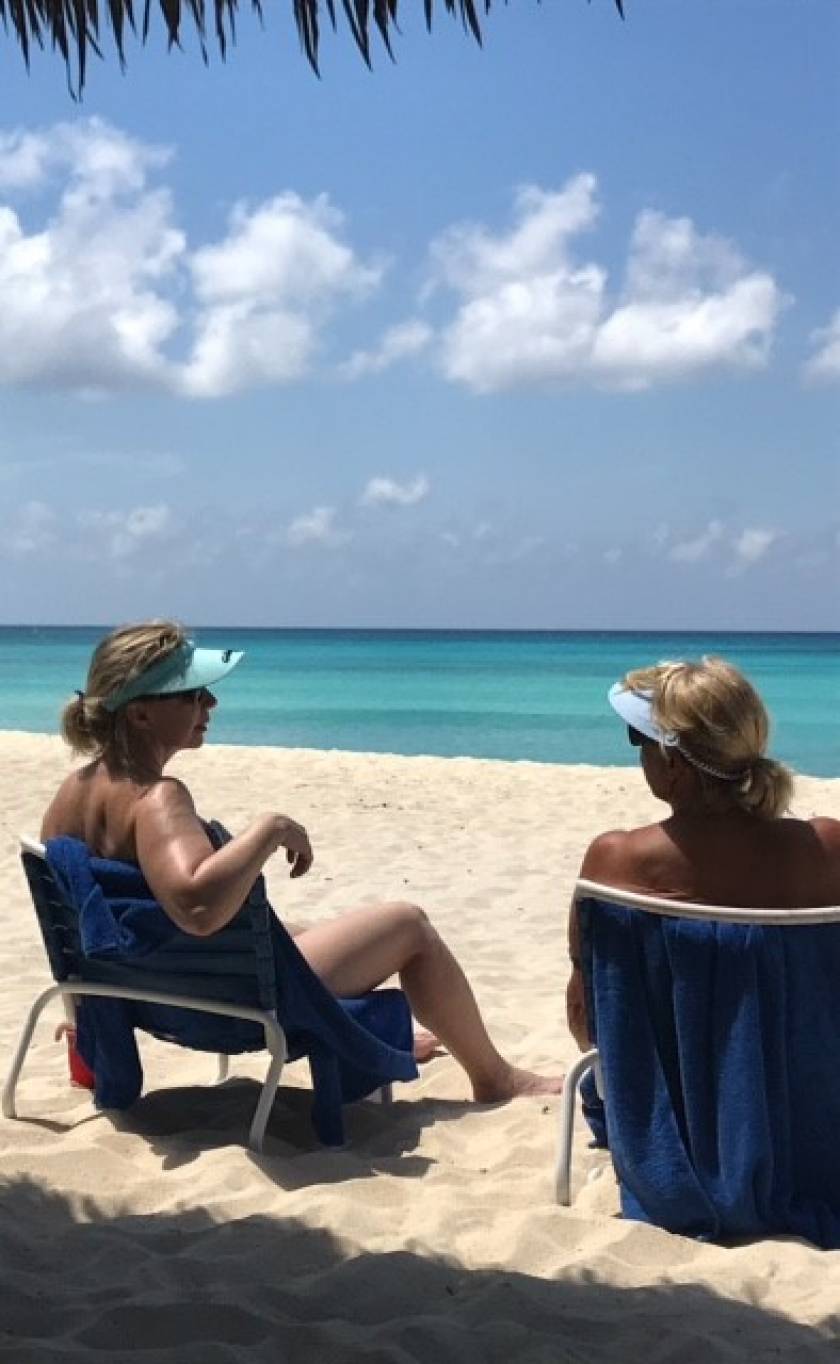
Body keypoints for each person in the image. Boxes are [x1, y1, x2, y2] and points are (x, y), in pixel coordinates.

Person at [43, 620, 562, 1102]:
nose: (211, 702)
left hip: (141, 989)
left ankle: (376, 1031)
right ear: (139, 712)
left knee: (311, 928)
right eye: (193, 693)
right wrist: (269, 830)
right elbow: (196, 909)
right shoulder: (157, 799)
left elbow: (111, 914)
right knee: (410, 926)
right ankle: (495, 1078)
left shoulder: (73, 794)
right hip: (223, 1002)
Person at [566, 656, 840, 1051]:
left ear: (673, 763)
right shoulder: (827, 848)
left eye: (637, 737)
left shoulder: (616, 860)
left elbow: (585, 1026)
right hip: (810, 1104)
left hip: (665, 1108)